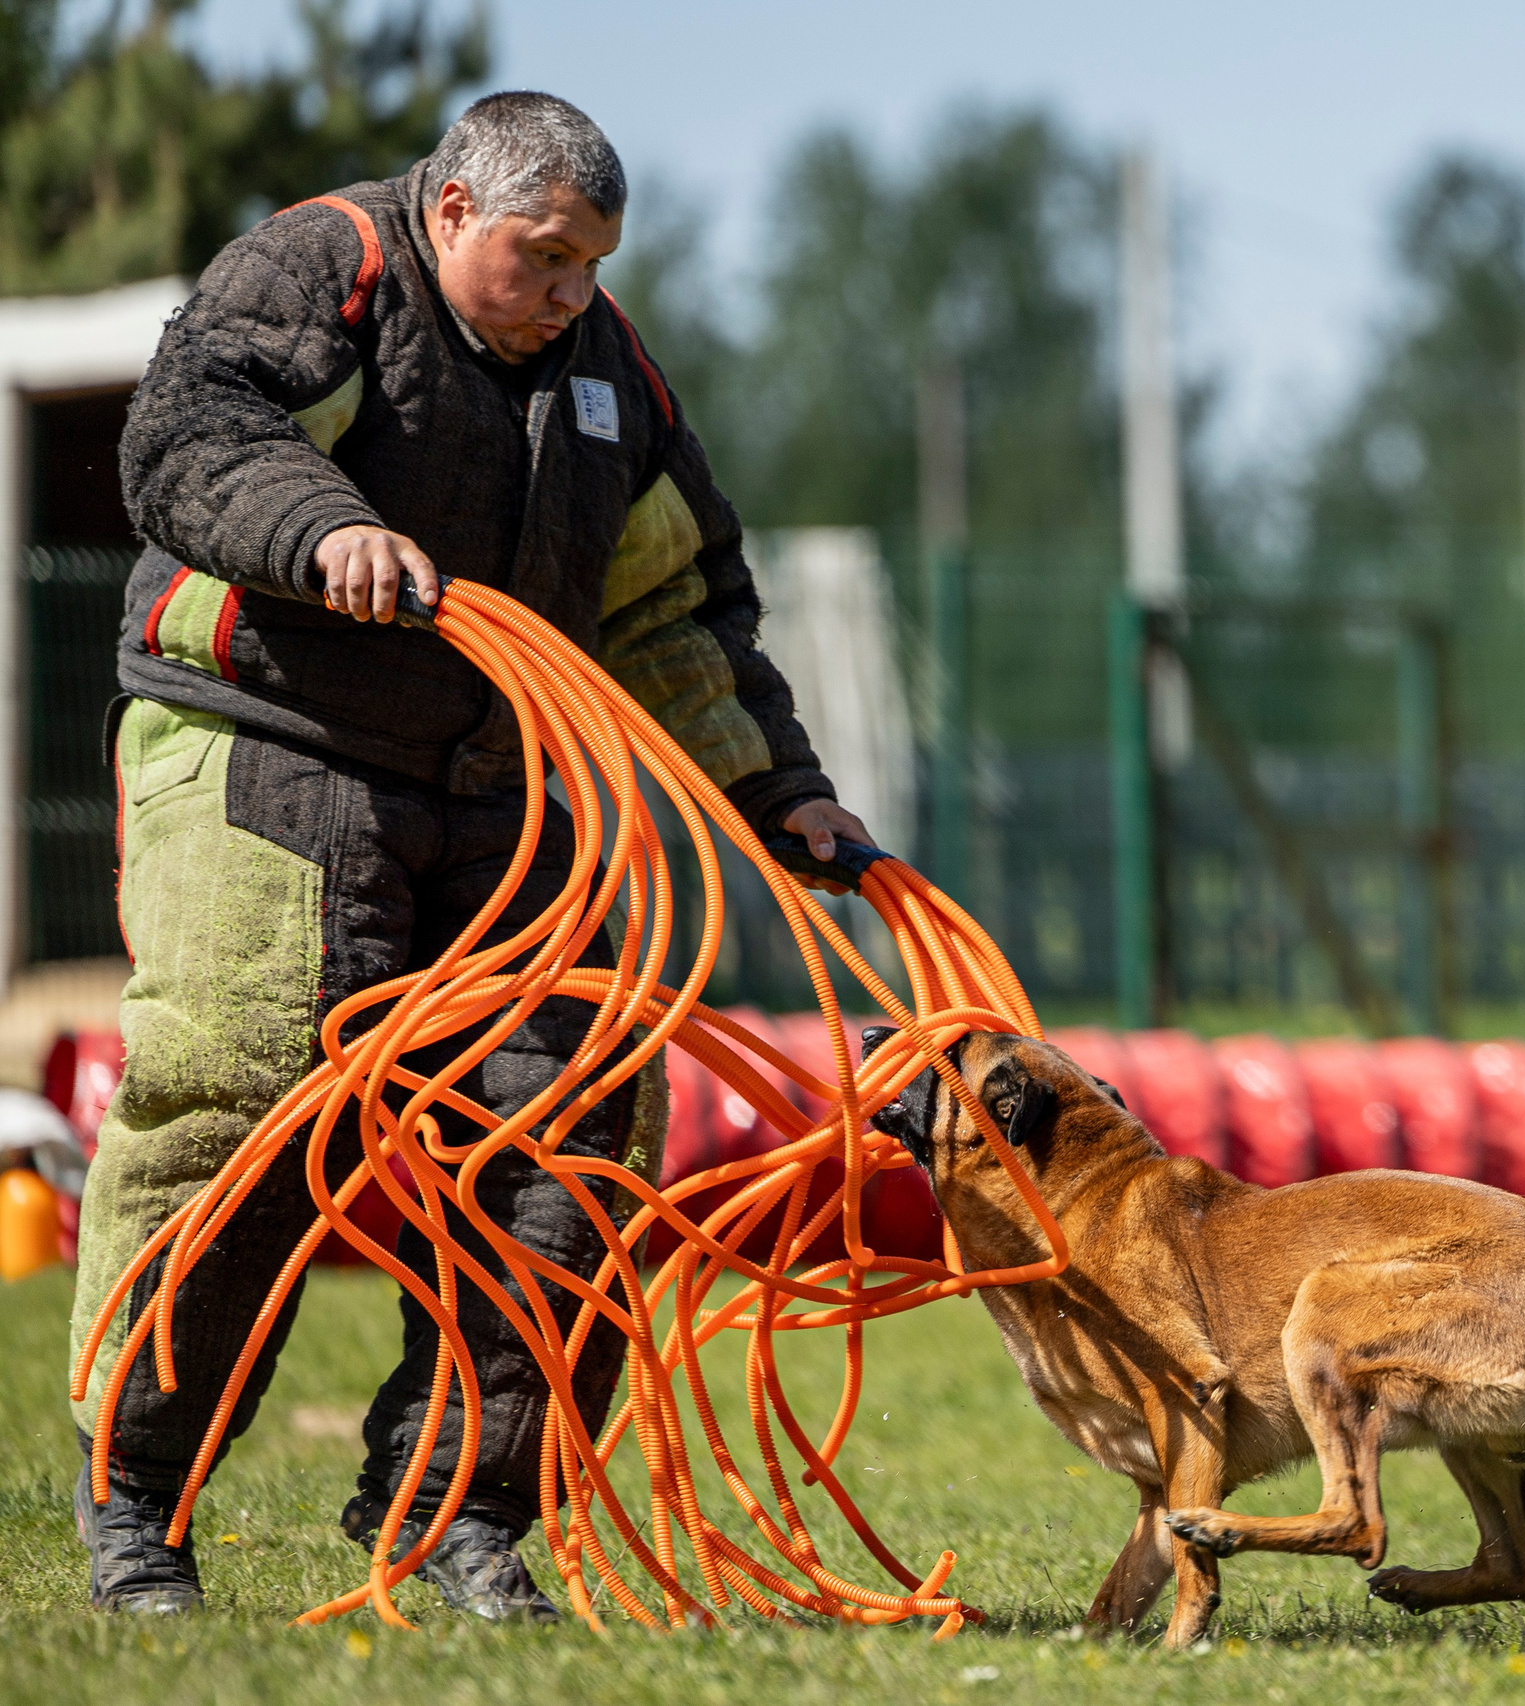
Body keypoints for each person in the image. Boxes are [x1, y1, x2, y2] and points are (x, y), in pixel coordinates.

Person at [70, 90, 872, 1620]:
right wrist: (325, 529)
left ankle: (459, 1511)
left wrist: (783, 790)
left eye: (592, 263)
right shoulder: (325, 269)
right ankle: (137, 1505)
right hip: (271, 736)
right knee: (249, 1091)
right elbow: (194, 430)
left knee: (580, 1128)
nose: (575, 293)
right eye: (546, 257)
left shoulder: (604, 373)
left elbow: (674, 607)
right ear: (450, 214)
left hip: (508, 787)